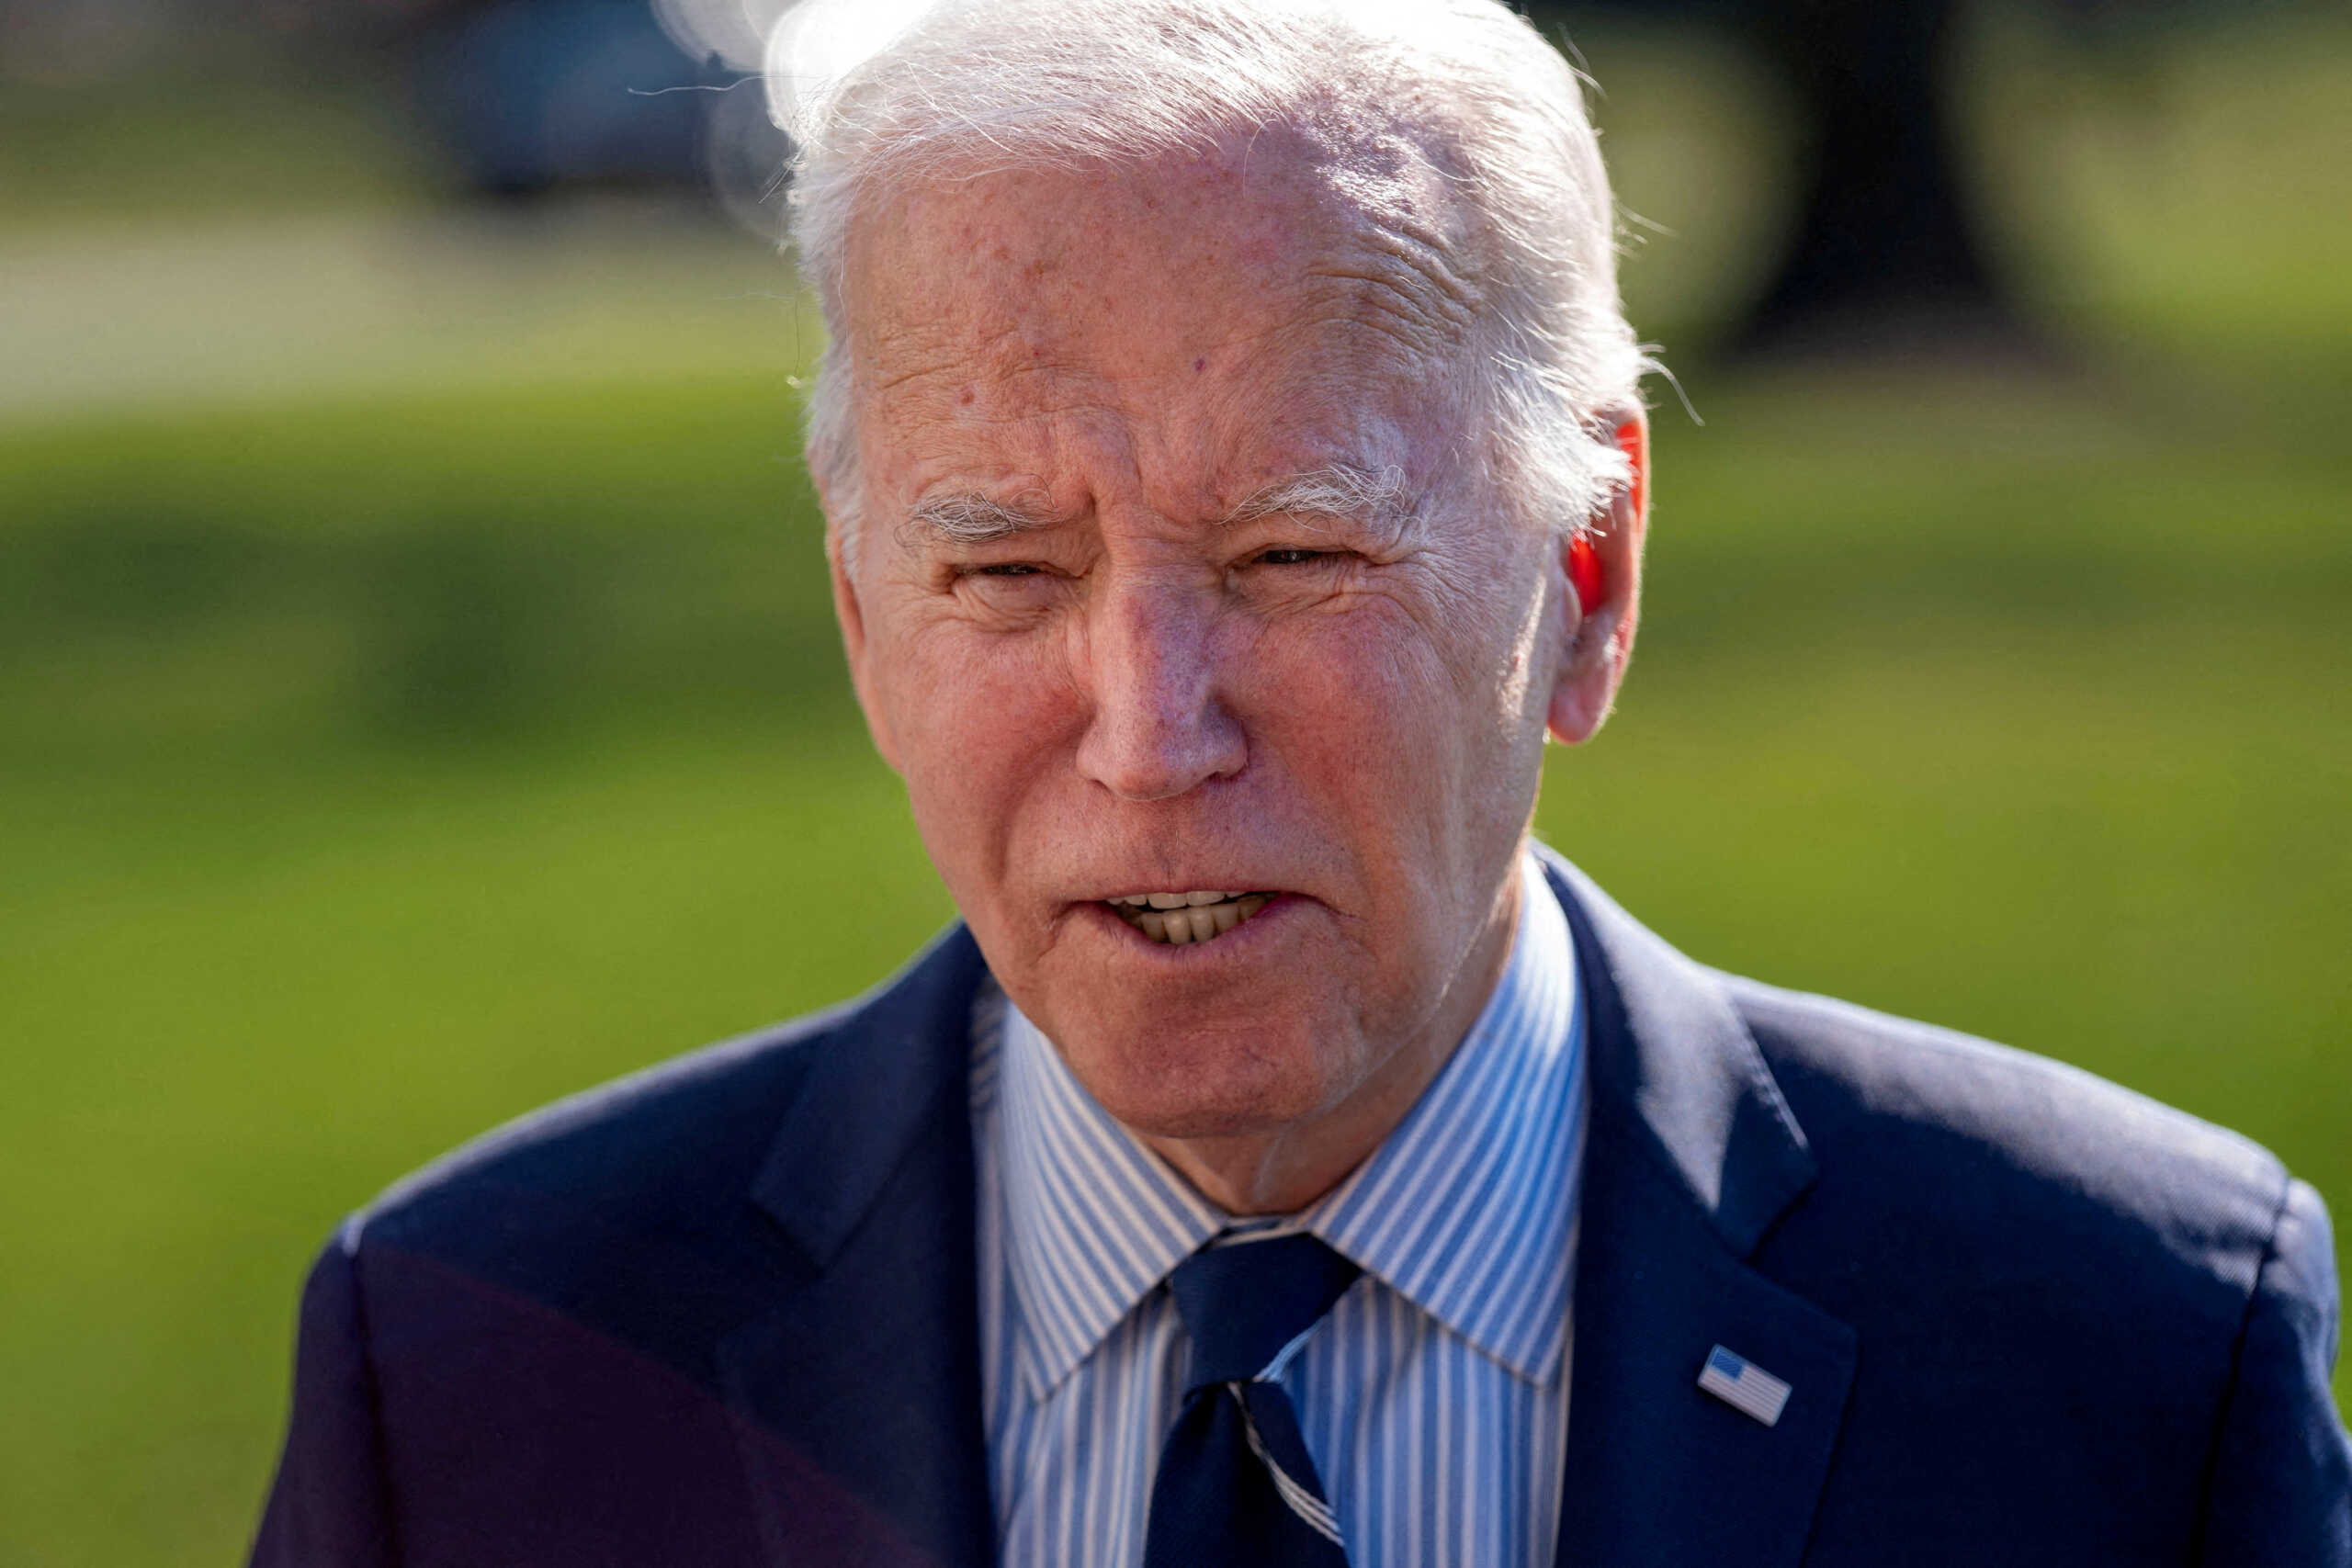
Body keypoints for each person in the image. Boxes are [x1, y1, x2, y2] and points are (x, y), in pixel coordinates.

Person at [249, 0, 2351, 1562]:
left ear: (1588, 577)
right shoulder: (466, 1370)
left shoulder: (2129, 1346)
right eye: (1003, 570)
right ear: (859, 619)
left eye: (1291, 558)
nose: (1151, 726)